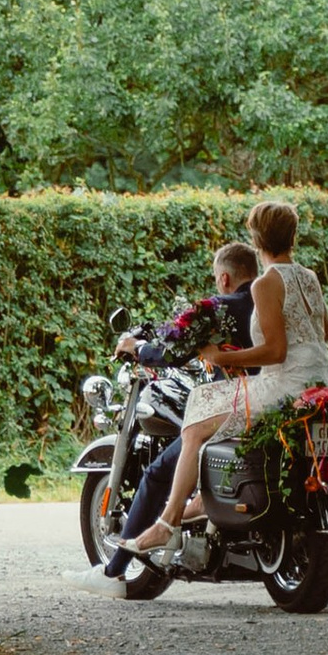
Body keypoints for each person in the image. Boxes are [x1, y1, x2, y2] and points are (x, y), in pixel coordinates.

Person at [124, 195, 328, 557]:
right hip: (319, 380)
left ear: (256, 239)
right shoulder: (309, 277)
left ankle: (168, 523)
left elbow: (276, 351)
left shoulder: (265, 283)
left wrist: (220, 355)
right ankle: (206, 501)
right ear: (292, 237)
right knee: (218, 413)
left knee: (198, 410)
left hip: (285, 384)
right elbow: (324, 333)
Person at [99, 242, 256, 574]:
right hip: (276, 396)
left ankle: (115, 569)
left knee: (157, 473)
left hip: (239, 403)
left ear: (224, 278)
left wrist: (138, 348)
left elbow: (172, 352)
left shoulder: (222, 307)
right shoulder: (272, 302)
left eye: (217, 278)